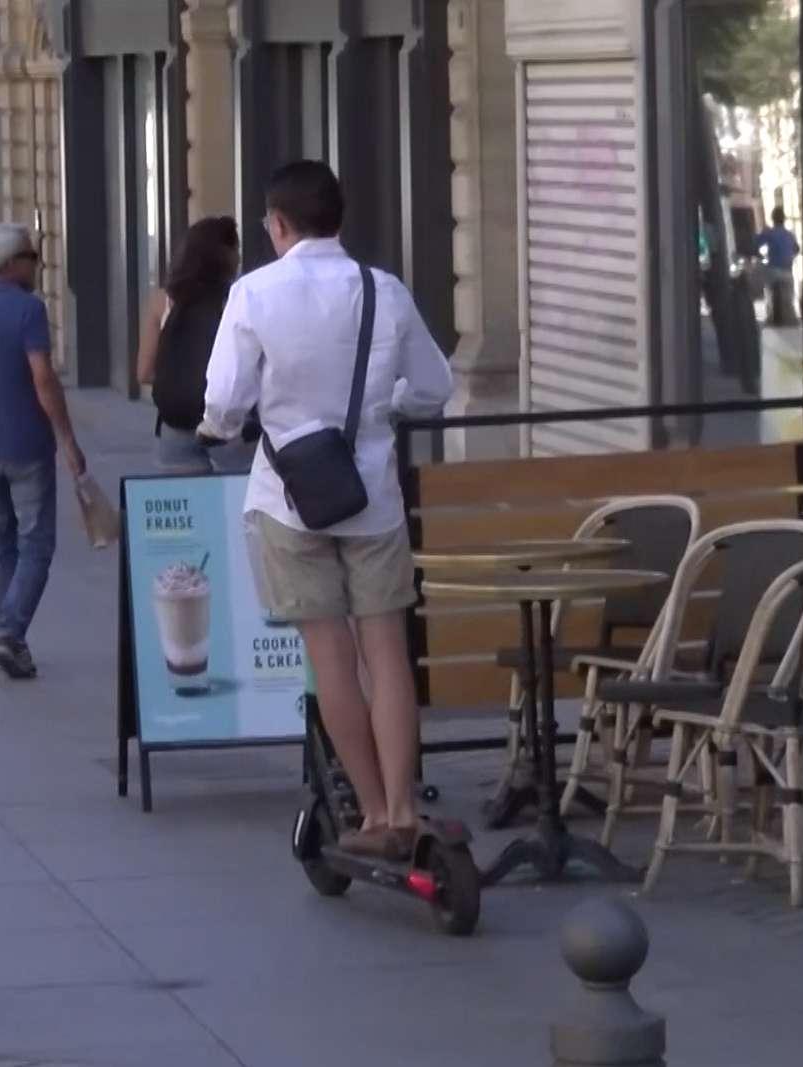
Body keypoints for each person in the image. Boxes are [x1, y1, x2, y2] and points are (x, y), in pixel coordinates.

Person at [199, 161, 452, 859]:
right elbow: (432, 387)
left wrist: (219, 431)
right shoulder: (384, 290)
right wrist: (380, 415)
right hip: (370, 491)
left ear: (278, 225)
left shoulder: (253, 293)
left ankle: (370, 814)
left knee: (329, 657)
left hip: (288, 497)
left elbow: (223, 404)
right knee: (386, 652)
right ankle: (404, 806)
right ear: (338, 219)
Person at [0, 224, 86, 680]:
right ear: (11, 263)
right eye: (32, 256)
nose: (38, 264)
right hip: (26, 443)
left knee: (1, 541)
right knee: (37, 542)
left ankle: (12, 637)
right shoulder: (29, 310)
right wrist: (67, 439)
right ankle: (10, 630)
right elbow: (42, 377)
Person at [135, 216, 255, 474]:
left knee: (187, 509)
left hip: (175, 424)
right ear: (228, 256)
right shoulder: (237, 301)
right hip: (227, 426)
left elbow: (143, 373)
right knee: (237, 507)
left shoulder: (162, 302)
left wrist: (181, 381)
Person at [757, 206, 800, 326]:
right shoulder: (790, 235)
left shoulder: (769, 232)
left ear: (773, 219)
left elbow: (756, 243)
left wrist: (759, 255)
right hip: (787, 271)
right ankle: (791, 320)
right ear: (784, 219)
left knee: (769, 291)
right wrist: (791, 256)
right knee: (789, 297)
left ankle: (770, 316)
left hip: (773, 270)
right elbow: (797, 249)